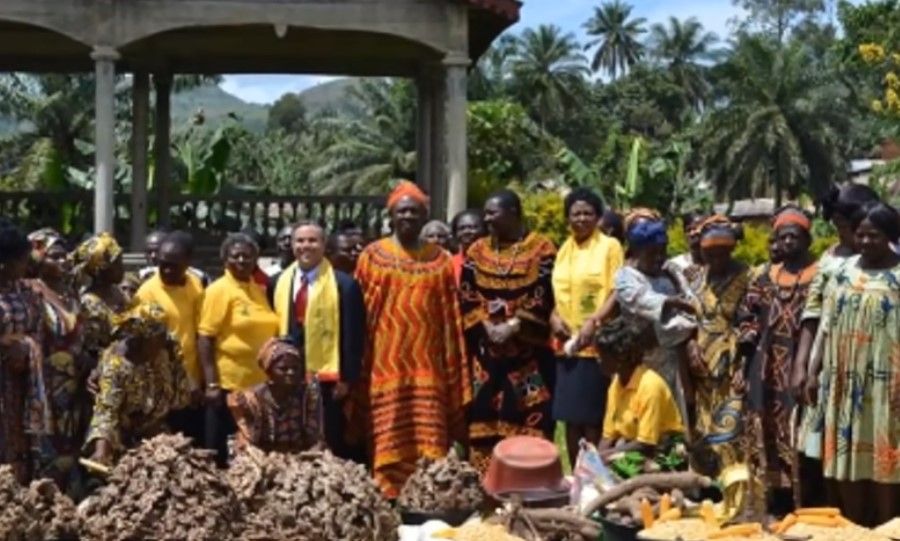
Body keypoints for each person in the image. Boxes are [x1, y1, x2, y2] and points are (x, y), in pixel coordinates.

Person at [355, 180, 469, 498]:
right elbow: (361, 312)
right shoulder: (372, 257)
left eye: (414, 211)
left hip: (428, 366)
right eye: (402, 211)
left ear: (424, 216)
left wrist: (450, 364)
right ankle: (388, 494)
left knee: (430, 436)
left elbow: (449, 316)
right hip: (383, 363)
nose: (407, 216)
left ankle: (429, 494)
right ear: (391, 215)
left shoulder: (441, 260)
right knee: (387, 431)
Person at [807, 202, 900, 526]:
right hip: (844, 381)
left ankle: (887, 527)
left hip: (888, 383)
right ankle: (854, 527)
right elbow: (826, 324)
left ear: (889, 235)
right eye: (860, 235)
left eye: (873, 235)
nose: (864, 242)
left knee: (885, 457)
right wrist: (812, 370)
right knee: (845, 456)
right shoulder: (841, 272)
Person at [791, 184, 880, 508]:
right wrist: (802, 366)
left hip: (880, 371)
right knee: (833, 452)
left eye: (850, 228)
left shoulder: (890, 257)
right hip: (834, 369)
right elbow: (812, 314)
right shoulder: (831, 260)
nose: (848, 236)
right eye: (841, 228)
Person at [460, 189, 557, 471]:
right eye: (486, 212)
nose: (486, 218)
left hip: (528, 357)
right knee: (483, 416)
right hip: (487, 355)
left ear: (513, 212)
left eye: (493, 212)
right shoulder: (477, 251)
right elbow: (466, 294)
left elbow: (543, 295)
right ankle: (485, 484)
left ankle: (528, 479)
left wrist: (514, 326)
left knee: (530, 414)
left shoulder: (541, 248)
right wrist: (487, 326)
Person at [738, 205, 818, 515]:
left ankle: (808, 502)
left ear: (807, 240)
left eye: (793, 237)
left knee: (799, 431)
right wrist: (746, 347)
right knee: (765, 429)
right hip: (766, 367)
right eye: (781, 237)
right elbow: (747, 314)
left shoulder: (818, 276)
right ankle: (775, 500)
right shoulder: (765, 277)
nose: (787, 243)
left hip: (801, 364)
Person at [271, 221, 365, 459]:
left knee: (327, 436)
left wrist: (346, 378)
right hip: (288, 374)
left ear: (324, 245)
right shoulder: (278, 282)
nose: (306, 246)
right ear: (292, 245)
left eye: (312, 240)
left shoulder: (344, 285)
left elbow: (353, 335)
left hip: (328, 377)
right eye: (300, 241)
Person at [549, 188, 624, 466]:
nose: (581, 219)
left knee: (592, 418)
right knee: (570, 418)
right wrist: (554, 318)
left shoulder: (609, 246)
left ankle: (595, 476)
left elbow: (617, 290)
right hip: (567, 346)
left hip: (596, 345)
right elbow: (559, 293)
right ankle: (577, 475)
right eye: (575, 214)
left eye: (587, 213)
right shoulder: (563, 250)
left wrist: (595, 322)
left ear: (597, 216)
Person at [198, 233, 280, 465]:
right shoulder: (219, 290)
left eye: (248, 256)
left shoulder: (258, 289)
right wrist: (212, 383)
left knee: (252, 450)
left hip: (259, 385)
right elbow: (205, 337)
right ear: (225, 260)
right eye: (236, 256)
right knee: (219, 452)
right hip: (227, 385)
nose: (242, 261)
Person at [84, 303, 193, 465]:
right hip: (120, 438)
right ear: (142, 339)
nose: (164, 341)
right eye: (159, 339)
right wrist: (101, 452)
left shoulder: (167, 349)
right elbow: (106, 411)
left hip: (157, 435)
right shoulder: (117, 364)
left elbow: (180, 398)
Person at [686, 218, 752, 481]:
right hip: (701, 368)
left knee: (732, 434)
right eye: (709, 254)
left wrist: (745, 367)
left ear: (732, 250)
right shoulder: (695, 279)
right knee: (703, 434)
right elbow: (688, 318)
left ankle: (737, 493)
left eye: (721, 253)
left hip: (733, 367)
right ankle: (708, 491)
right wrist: (691, 344)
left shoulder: (748, 277)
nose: (715, 259)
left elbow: (753, 325)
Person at [27, 229, 89, 489]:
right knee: (48, 449)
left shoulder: (72, 293)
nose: (63, 261)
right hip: (47, 385)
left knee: (72, 446)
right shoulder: (32, 293)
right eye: (54, 257)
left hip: (76, 385)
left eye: (65, 256)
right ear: (38, 258)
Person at [614, 209, 698, 394]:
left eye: (663, 252)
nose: (659, 258)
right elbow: (643, 303)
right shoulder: (625, 279)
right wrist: (673, 304)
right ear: (636, 252)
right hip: (642, 364)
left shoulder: (672, 272)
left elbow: (692, 305)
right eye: (652, 253)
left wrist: (687, 322)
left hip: (674, 366)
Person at [134, 231, 205, 442]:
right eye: (162, 264)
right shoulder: (146, 293)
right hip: (163, 386)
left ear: (188, 263)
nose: (166, 269)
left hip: (193, 385)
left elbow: (199, 331)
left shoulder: (195, 284)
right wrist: (185, 380)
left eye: (173, 265)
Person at [0, 221, 47, 484]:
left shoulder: (27, 292)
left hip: (21, 385)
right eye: (20, 261)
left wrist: (27, 348)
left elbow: (38, 329)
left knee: (20, 445)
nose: (25, 266)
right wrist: (8, 345)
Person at [597, 317, 684, 458]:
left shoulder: (650, 386)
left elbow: (646, 444)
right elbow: (608, 435)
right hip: (630, 447)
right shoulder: (616, 384)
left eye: (603, 356)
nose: (598, 360)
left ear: (620, 359)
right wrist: (594, 459)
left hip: (662, 452)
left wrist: (606, 456)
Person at [227, 338, 323, 454]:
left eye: (295, 368)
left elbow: (314, 438)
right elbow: (250, 440)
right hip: (260, 457)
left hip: (300, 456)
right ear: (269, 372)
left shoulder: (307, 396)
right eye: (283, 369)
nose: (291, 373)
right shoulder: (251, 400)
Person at [72, 233, 129, 362]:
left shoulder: (118, 292)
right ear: (100, 270)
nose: (122, 268)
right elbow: (93, 351)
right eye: (117, 263)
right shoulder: (89, 304)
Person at [138, 229, 210, 287]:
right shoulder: (141, 277)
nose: (153, 256)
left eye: (157, 251)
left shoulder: (199, 278)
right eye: (149, 251)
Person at [450, 209, 486, 284]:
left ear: (484, 230)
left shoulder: (495, 261)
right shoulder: (449, 264)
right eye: (462, 228)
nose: (467, 232)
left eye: (472, 227)